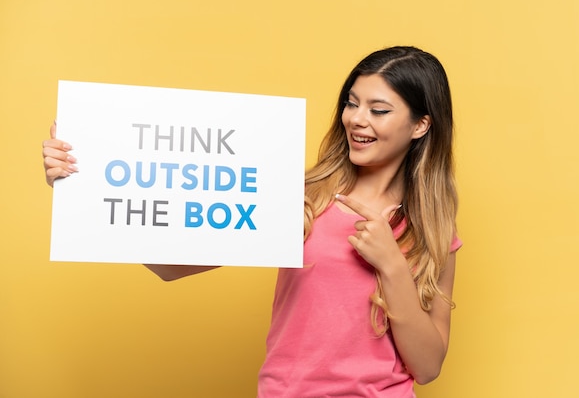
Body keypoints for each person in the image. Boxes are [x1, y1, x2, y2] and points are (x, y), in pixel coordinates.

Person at [42, 46, 462, 397]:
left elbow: (427, 367)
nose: (356, 119)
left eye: (379, 109)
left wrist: (391, 264)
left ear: (421, 124)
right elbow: (168, 268)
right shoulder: (302, 197)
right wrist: (86, 185)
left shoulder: (434, 227)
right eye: (352, 103)